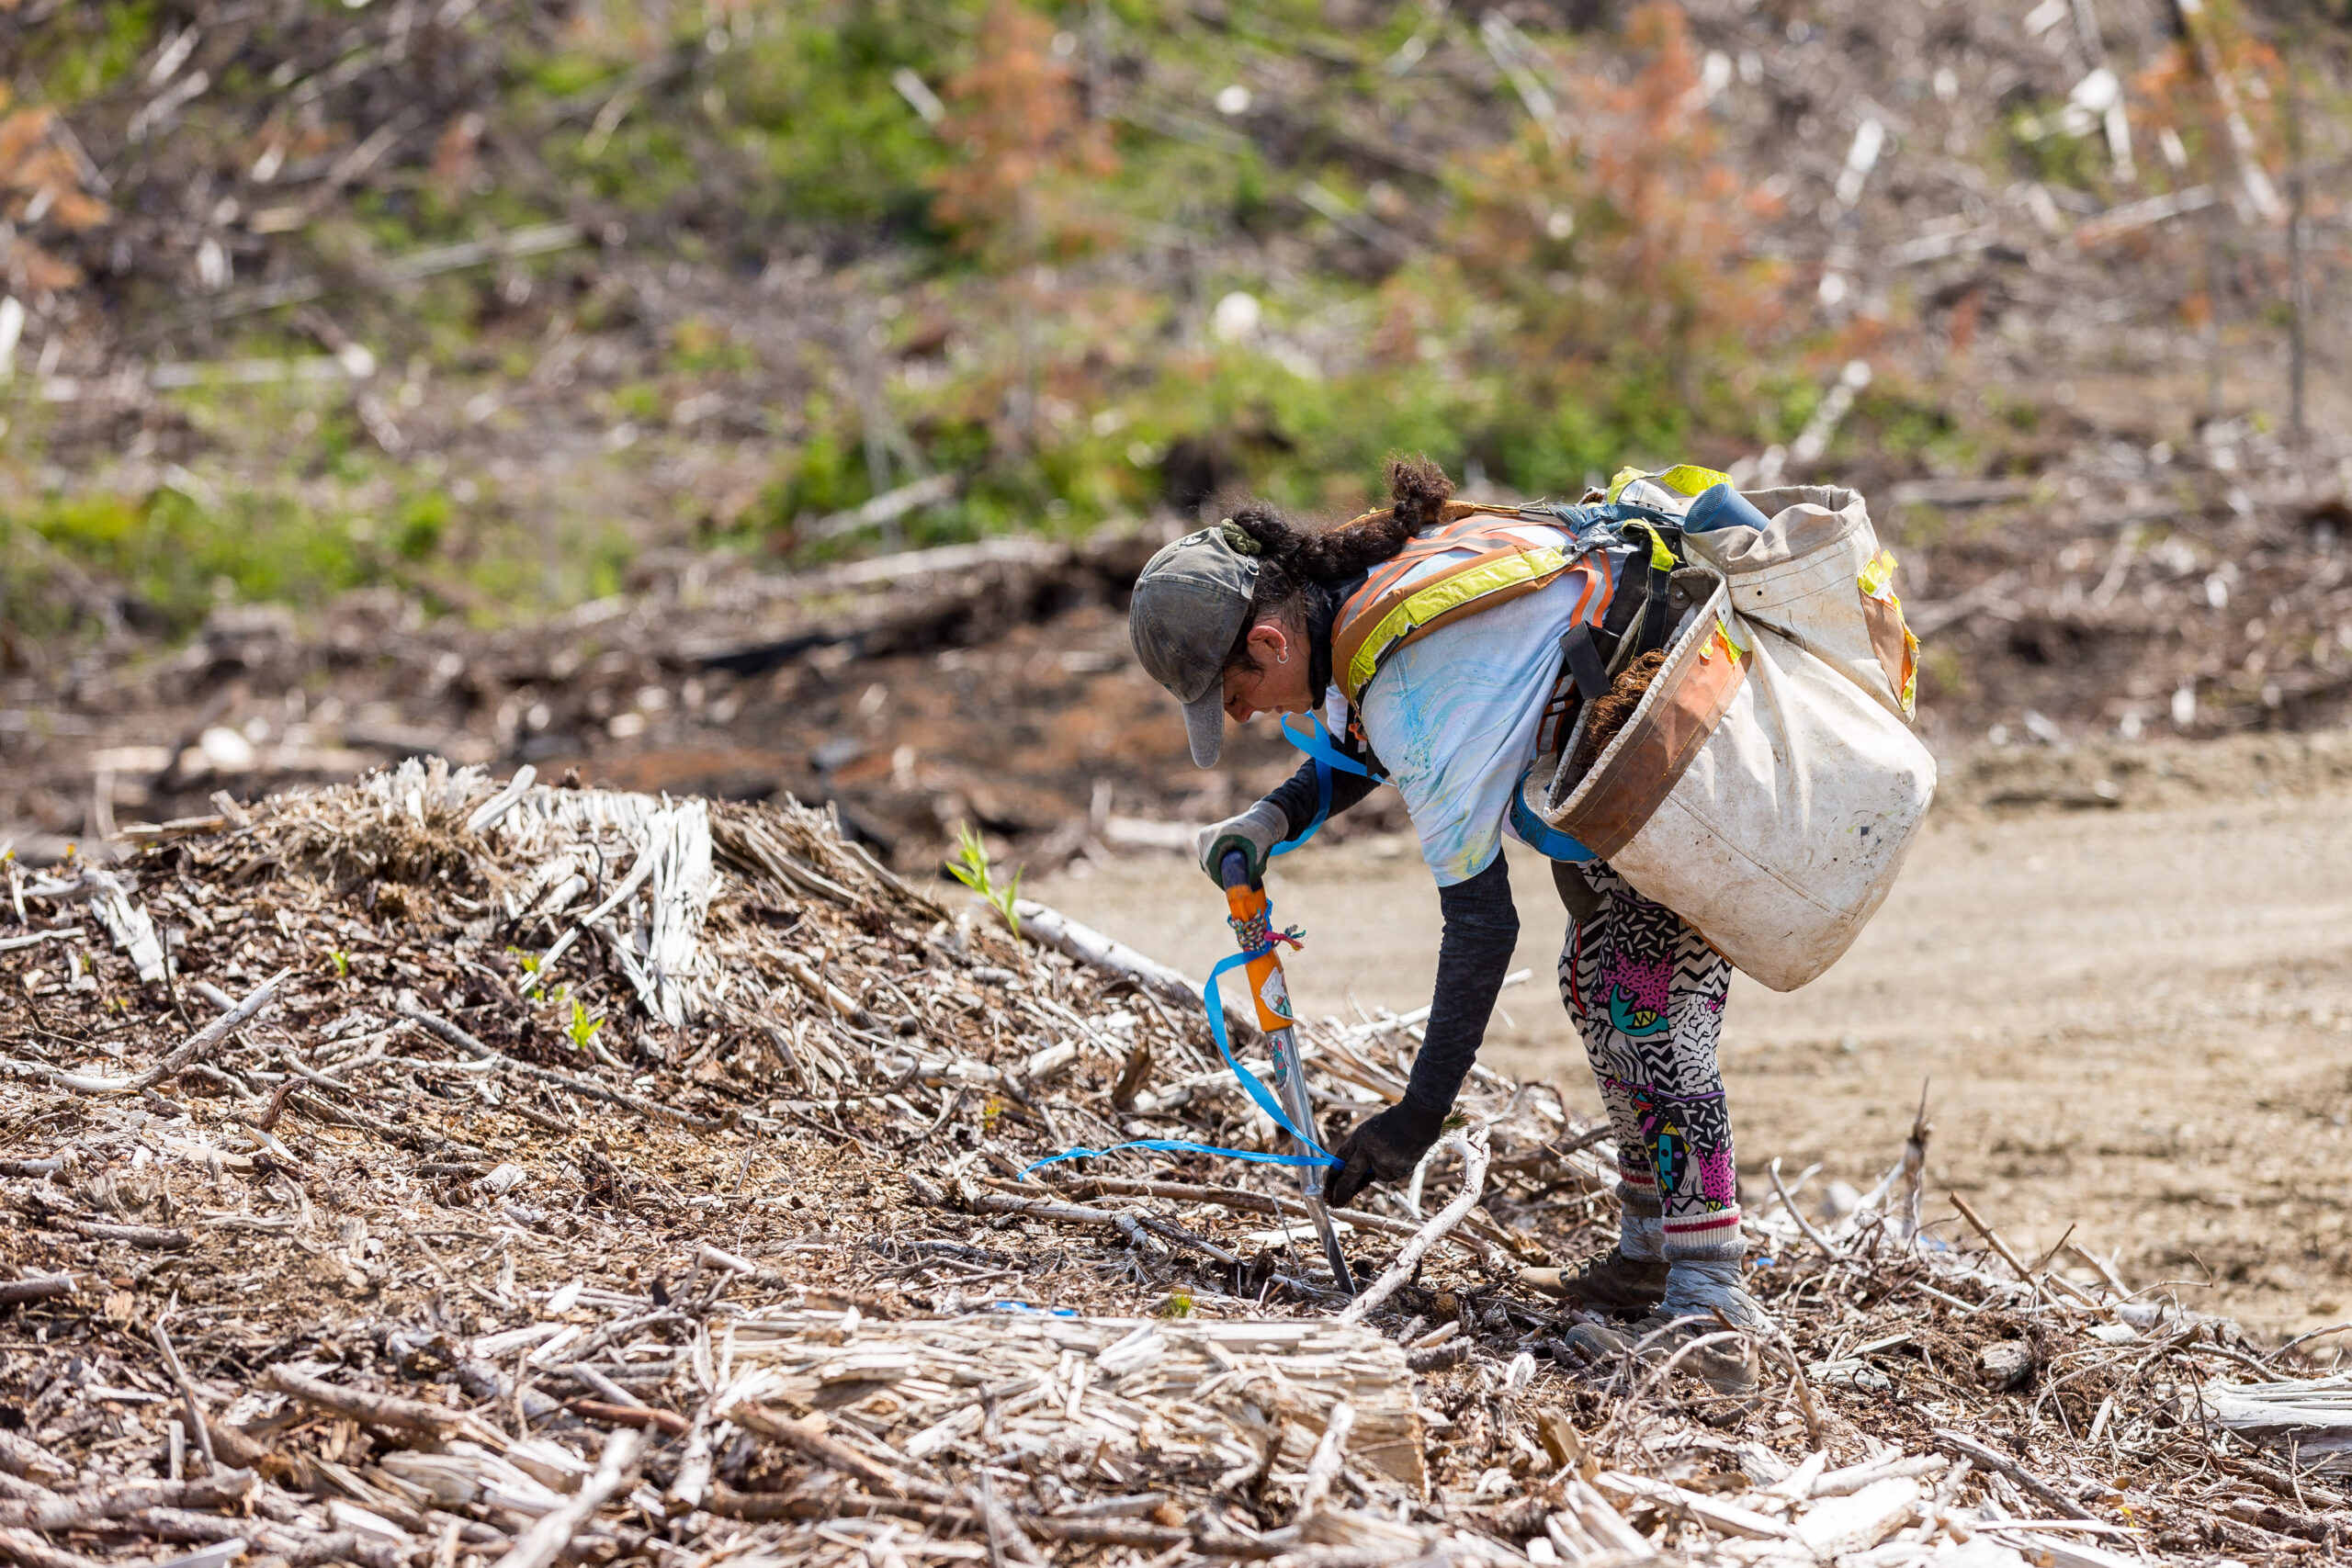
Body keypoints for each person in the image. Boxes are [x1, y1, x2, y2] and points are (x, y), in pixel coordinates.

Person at [1127, 455, 1766, 1384]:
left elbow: (1480, 924)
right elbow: (1361, 743)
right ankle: (1650, 1253)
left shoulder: (1411, 684)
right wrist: (1269, 819)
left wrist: (1416, 1117)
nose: (1250, 717)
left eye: (1236, 696)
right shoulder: (1361, 593)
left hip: (1711, 768)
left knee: (1642, 1005)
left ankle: (1712, 1310)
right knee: (1595, 985)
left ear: (1267, 641)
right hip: (1649, 751)